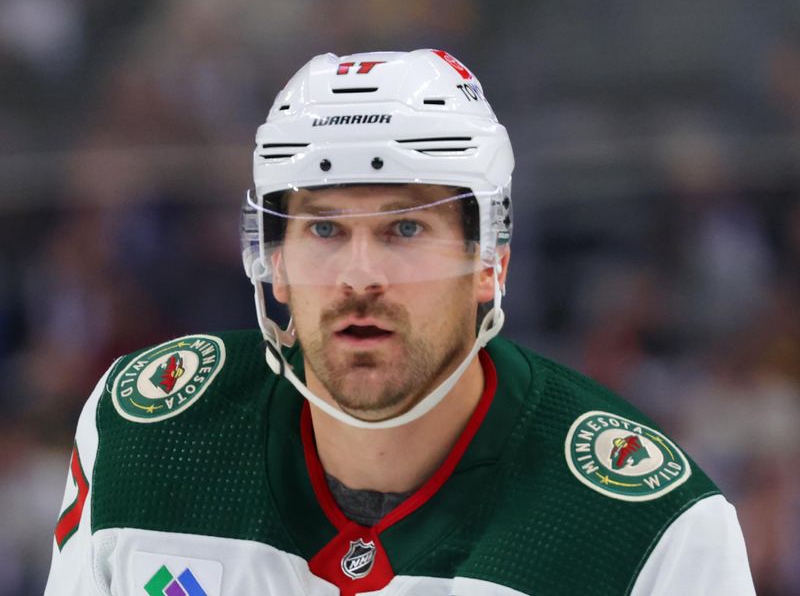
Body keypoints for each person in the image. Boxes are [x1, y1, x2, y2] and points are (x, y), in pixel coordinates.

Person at [44, 49, 755, 596]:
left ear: (490, 260)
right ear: (274, 261)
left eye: (405, 229)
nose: (359, 277)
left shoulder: (649, 528)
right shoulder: (149, 432)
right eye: (324, 231)